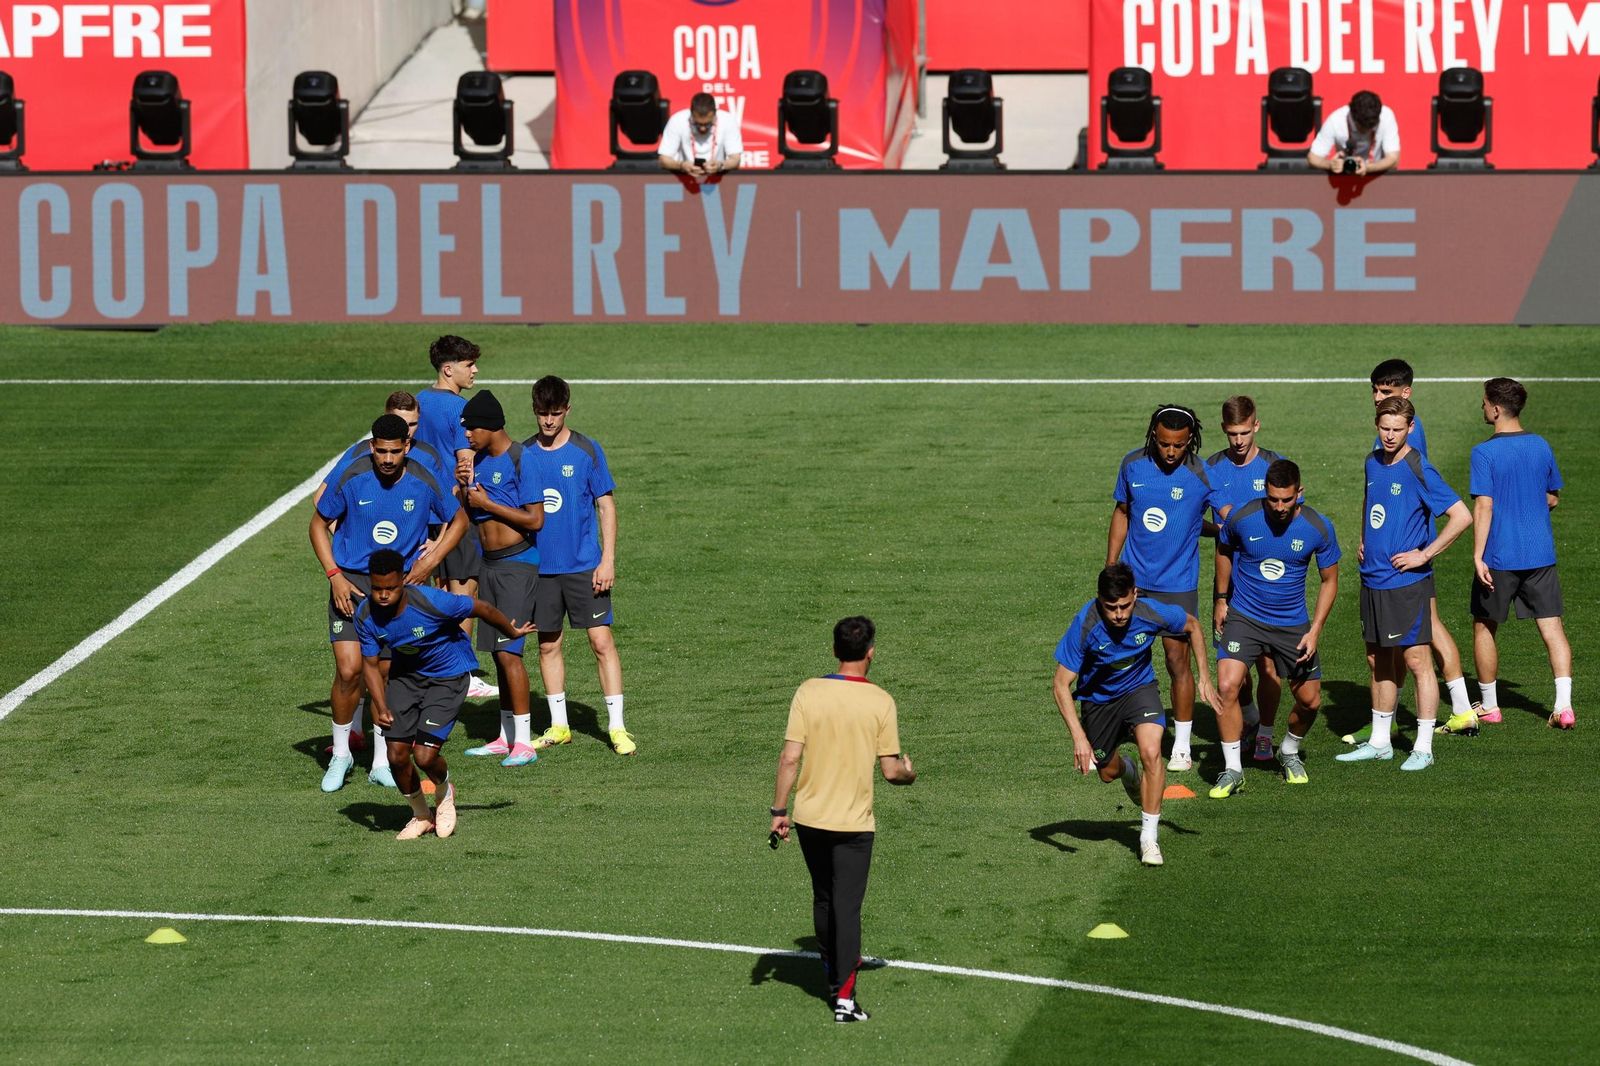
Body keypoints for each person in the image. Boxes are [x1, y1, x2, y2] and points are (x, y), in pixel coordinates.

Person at [310, 414, 466, 792]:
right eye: (381, 451)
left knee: (385, 674)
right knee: (349, 671)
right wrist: (334, 577)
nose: (387, 459)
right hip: (352, 584)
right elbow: (317, 524)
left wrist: (430, 559)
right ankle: (341, 755)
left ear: (407, 448)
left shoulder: (424, 478)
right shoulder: (353, 475)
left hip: (398, 591)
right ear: (372, 446)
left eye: (395, 451)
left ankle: (381, 761)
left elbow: (458, 519)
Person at [770, 617, 914, 1024]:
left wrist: (779, 811)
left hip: (810, 819)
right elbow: (891, 772)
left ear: (834, 651)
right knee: (847, 908)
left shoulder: (808, 691)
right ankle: (844, 1000)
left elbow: (789, 758)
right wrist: (910, 772)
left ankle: (833, 977)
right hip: (853, 825)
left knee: (824, 898)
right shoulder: (881, 701)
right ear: (871, 653)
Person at [354, 549, 537, 840]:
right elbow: (371, 666)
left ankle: (443, 791)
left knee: (425, 757)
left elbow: (480, 608)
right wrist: (380, 705)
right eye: (377, 589)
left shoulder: (432, 602)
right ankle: (421, 815)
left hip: (447, 677)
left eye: (391, 588)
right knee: (396, 755)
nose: (384, 595)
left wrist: (511, 631)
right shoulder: (365, 615)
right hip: (406, 677)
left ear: (403, 580)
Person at [1338, 397, 1471, 772]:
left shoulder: (1418, 467)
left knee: (1417, 661)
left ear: (1411, 428)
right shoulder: (1372, 461)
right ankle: (1380, 742)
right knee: (1379, 660)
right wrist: (1365, 538)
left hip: (1405, 582)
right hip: (1374, 579)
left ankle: (1424, 747)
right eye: (1385, 428)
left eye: (1398, 429)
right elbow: (1371, 499)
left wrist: (1424, 555)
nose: (1390, 435)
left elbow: (1462, 516)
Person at [1053, 564, 1217, 865]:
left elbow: (1192, 625)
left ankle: (1148, 839)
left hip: (1140, 690)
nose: (1119, 614)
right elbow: (1061, 684)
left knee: (1152, 751)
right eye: (1111, 607)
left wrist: (1204, 675)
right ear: (1099, 601)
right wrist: (1078, 738)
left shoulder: (1149, 612)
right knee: (1107, 773)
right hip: (1099, 703)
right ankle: (1127, 771)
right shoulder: (1086, 623)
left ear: (1135, 595)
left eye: (1125, 605)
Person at [520, 375, 633, 756]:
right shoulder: (524, 454)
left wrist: (608, 560)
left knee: (601, 642)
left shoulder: (587, 450)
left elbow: (606, 505)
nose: (548, 421)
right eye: (541, 414)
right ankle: (558, 725)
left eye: (554, 414)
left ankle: (616, 728)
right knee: (548, 645)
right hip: (541, 570)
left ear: (567, 409)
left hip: (585, 567)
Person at [1213, 461, 1340, 792]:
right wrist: (1222, 599)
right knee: (1227, 686)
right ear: (1264, 493)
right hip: (1245, 616)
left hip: (1291, 623)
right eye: (1273, 500)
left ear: (1300, 493)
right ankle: (1232, 770)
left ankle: (1288, 750)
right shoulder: (1243, 518)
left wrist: (1315, 631)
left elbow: (1329, 581)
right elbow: (1224, 548)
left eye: (1287, 500)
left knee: (1311, 701)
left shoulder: (1317, 527)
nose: (1280, 507)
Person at [1108, 404, 1221, 771]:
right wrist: (1111, 567)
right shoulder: (1132, 465)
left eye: (1179, 445)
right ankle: (1122, 724)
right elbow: (1124, 512)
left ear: (1191, 441)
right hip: (1135, 583)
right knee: (1125, 658)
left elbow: (1225, 519)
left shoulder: (1203, 474)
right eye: (1164, 444)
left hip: (1178, 585)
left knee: (1177, 662)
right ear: (1153, 437)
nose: (1170, 452)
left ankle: (1183, 747)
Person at [1462, 378, 1574, 731]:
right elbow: (1552, 497)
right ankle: (1564, 706)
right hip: (1540, 553)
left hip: (1499, 556)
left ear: (1495, 408)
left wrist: (1478, 554)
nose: (1482, 408)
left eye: (1483, 403)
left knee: (1484, 627)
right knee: (1552, 628)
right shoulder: (1541, 445)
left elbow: (1483, 506)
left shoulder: (1484, 452)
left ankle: (1491, 706)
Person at [450, 390, 547, 768]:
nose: (467, 436)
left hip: (517, 566)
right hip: (488, 565)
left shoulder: (524, 460)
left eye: (471, 429)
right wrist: (463, 489)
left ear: (491, 425)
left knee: (510, 653)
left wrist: (488, 504)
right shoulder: (476, 461)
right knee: (495, 650)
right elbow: (469, 512)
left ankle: (524, 742)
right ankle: (504, 735)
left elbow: (535, 520)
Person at [1204, 395, 1289, 762]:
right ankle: (1250, 714)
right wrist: (1220, 531)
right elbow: (1195, 517)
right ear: (1224, 430)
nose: (1238, 441)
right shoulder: (1210, 468)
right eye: (1231, 434)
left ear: (1257, 425)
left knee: (1269, 666)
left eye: (1244, 432)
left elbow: (1293, 517)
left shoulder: (1274, 467)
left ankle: (1265, 734)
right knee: (1232, 666)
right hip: (1228, 584)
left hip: (1270, 584)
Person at [414, 335, 497, 701]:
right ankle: (462, 673)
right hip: (456, 513)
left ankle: (432, 664)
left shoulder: (418, 401)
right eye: (469, 365)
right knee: (464, 592)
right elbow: (466, 463)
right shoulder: (456, 409)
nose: (475, 370)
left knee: (439, 590)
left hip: (423, 511)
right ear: (449, 369)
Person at [658, 92, 743, 184]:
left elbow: (736, 160)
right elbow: (663, 160)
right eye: (697, 124)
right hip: (684, 180)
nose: (702, 128)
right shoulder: (677, 120)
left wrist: (720, 165)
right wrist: (682, 166)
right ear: (691, 115)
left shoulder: (728, 120)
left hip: (718, 180)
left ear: (715, 115)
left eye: (707, 124)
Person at [1309, 89, 1400, 175]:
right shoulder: (1336, 120)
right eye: (1361, 127)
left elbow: (1393, 160)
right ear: (1352, 116)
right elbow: (1313, 158)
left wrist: (1368, 168)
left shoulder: (1386, 116)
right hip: (1344, 177)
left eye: (1371, 127)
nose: (1365, 131)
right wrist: (1331, 165)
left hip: (1376, 176)